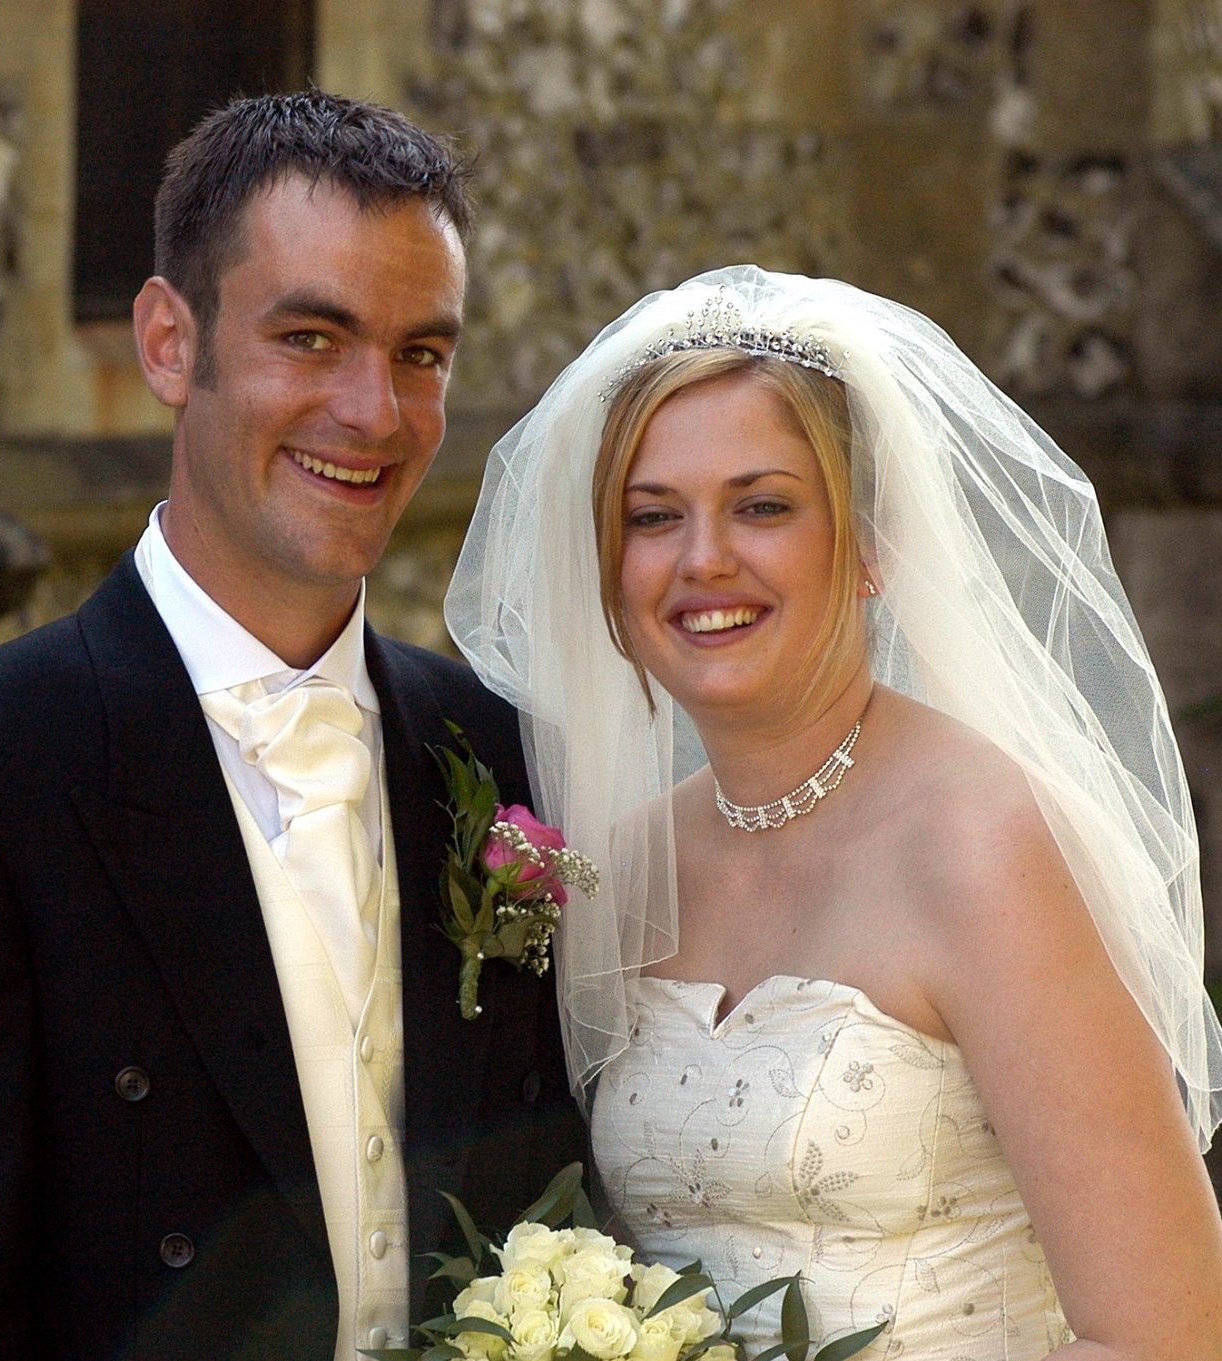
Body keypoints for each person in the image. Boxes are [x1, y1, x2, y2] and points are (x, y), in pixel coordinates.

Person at [0, 92, 584, 1361]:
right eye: (311, 337)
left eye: (419, 354)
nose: (375, 414)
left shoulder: (495, 750)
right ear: (169, 343)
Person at [446, 265, 1222, 1359]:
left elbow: (1166, 1333)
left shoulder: (981, 844)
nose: (701, 557)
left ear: (866, 546)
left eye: (760, 505)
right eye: (652, 516)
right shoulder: (620, 866)